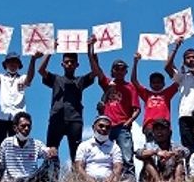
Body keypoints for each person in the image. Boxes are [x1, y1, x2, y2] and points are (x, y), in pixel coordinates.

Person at [89, 37, 140, 180]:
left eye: (123, 68)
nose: (120, 71)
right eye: (117, 68)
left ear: (125, 71)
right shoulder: (107, 83)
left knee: (127, 157)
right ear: (112, 71)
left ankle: (129, 180)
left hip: (122, 127)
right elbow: (96, 67)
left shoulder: (130, 87)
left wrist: (129, 121)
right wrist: (91, 50)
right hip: (107, 126)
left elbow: (137, 108)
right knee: (105, 157)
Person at [39, 46, 96, 162]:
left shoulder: (80, 81)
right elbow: (41, 70)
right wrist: (51, 50)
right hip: (56, 118)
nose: (69, 64)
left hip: (75, 120)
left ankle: (75, 178)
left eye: (72, 62)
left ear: (77, 65)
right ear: (62, 64)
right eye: (66, 62)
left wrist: (90, 52)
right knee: (51, 152)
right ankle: (51, 178)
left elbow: (95, 72)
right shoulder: (55, 79)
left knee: (76, 154)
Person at [164, 37, 194, 154]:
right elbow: (167, 67)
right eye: (188, 58)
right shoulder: (182, 76)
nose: (191, 59)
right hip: (185, 115)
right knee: (187, 146)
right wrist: (176, 47)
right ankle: (190, 170)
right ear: (184, 61)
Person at [0, 50, 41, 150]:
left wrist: (33, 59)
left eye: (15, 62)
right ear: (5, 64)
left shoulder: (22, 78)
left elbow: (29, 79)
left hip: (17, 119)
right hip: (0, 117)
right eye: (10, 62)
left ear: (19, 65)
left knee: (17, 147)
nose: (12, 64)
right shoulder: (1, 77)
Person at [130, 52, 178, 142]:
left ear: (164, 83)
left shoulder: (167, 93)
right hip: (150, 127)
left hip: (165, 127)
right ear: (150, 84)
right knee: (152, 151)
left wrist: (169, 60)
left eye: (159, 82)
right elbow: (133, 80)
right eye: (154, 82)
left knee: (165, 152)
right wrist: (135, 62)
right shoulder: (146, 94)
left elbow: (178, 80)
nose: (156, 84)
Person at [0, 111, 59, 182]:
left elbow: (46, 152)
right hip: (11, 180)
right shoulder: (6, 143)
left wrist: (51, 151)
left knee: (53, 160)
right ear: (15, 128)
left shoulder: (36, 144)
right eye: (23, 126)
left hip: (31, 179)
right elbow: (2, 164)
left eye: (28, 126)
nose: (26, 129)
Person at [75, 116, 123, 182]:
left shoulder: (115, 147)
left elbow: (118, 167)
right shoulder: (84, 145)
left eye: (107, 127)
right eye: (101, 126)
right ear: (93, 127)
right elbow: (79, 166)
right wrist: (87, 178)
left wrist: (110, 179)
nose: (104, 129)